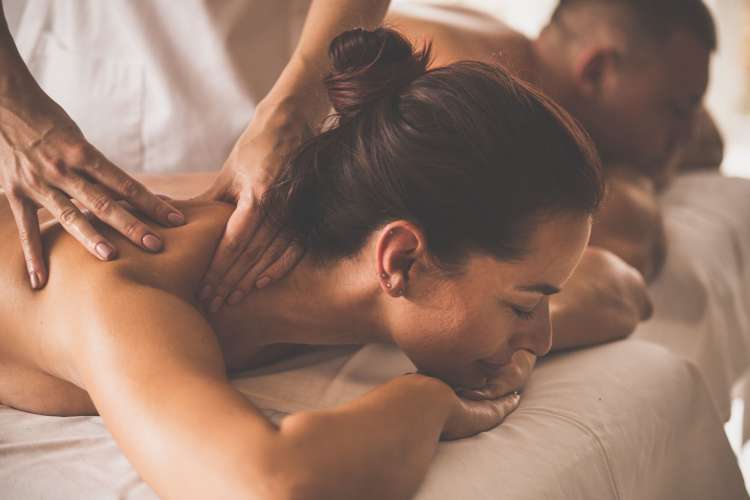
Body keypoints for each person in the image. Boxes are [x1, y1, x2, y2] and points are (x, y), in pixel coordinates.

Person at [0, 27, 650, 498]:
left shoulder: (338, 237)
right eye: (524, 305)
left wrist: (519, 314)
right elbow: (267, 484)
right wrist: (431, 402)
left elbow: (621, 290)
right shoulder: (129, 286)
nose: (541, 337)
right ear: (401, 259)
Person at [0, 0, 391, 311]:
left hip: (277, 72)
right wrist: (11, 108)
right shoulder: (110, 300)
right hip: (73, 92)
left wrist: (299, 102)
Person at [388, 0, 721, 281]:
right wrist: (627, 176)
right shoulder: (486, 103)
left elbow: (711, 143)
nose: (687, 134)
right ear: (597, 71)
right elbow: (628, 237)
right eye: (675, 110)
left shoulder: (512, 50)